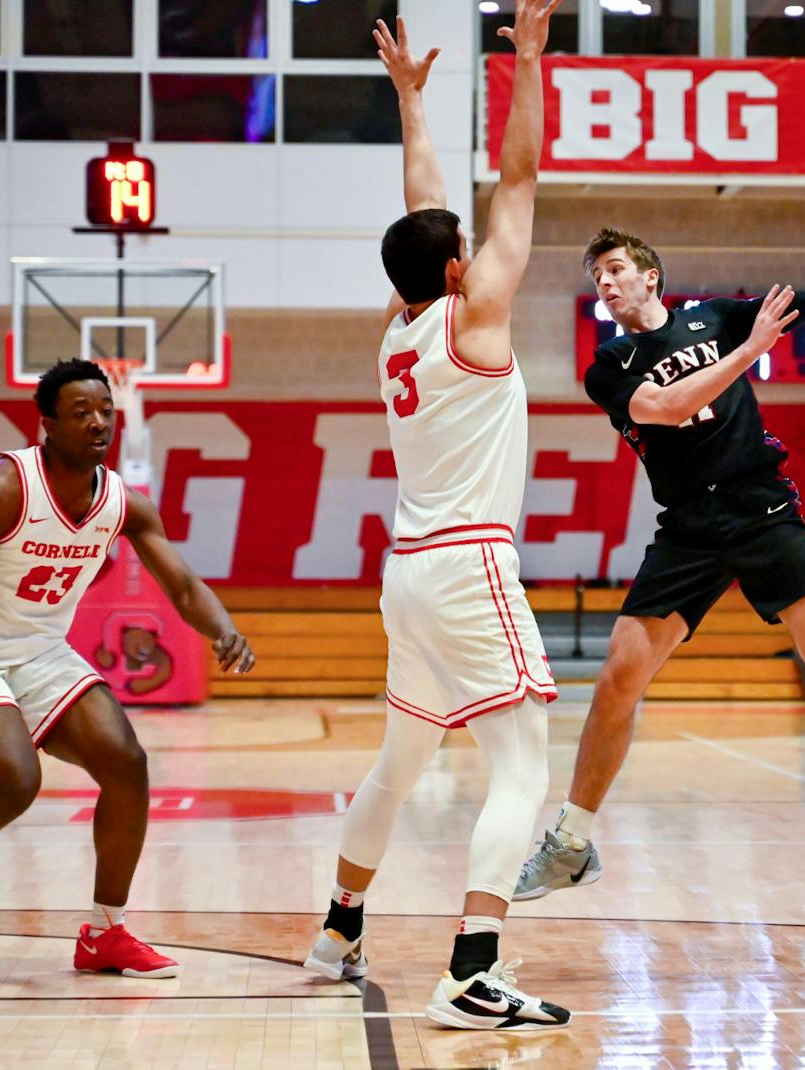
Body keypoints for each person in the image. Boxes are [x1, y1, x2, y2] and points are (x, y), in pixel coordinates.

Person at [515, 199, 805, 902]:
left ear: (649, 277)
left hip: (761, 509)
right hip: (689, 529)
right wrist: (751, 351)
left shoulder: (715, 316)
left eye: (614, 270)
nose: (604, 284)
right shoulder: (608, 365)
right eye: (596, 275)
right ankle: (571, 842)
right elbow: (665, 410)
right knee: (618, 677)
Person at [302, 4, 569, 1032]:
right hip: (465, 565)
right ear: (458, 271)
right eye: (464, 247)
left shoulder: (400, 328)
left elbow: (427, 209)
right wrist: (529, 64)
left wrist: (411, 102)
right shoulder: (477, 315)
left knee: (399, 761)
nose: (472, 241)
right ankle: (472, 965)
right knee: (522, 760)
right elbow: (520, 183)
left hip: (408, 569)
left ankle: (338, 928)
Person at [0, 359, 256, 978]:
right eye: (81, 413)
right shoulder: (2, 488)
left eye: (106, 411)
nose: (98, 423)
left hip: (42, 650)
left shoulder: (120, 504)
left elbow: (183, 585)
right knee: (16, 781)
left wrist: (224, 631)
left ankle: (105, 932)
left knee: (127, 765)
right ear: (46, 424)